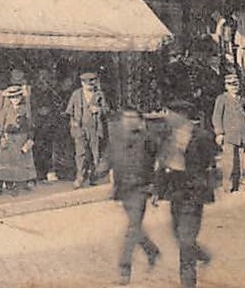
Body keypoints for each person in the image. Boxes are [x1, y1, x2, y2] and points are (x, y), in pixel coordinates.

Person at [157, 100, 218, 287]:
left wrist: (205, 184)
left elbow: (211, 163)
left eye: (171, 113)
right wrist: (156, 190)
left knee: (185, 239)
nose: (167, 117)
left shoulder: (201, 136)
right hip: (175, 193)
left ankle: (188, 284)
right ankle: (201, 254)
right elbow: (163, 164)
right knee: (177, 233)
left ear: (181, 116)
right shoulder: (168, 136)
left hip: (193, 193)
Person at [108, 108, 162, 285]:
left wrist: (155, 188)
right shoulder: (117, 139)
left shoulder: (147, 138)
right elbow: (110, 159)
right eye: (126, 118)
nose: (128, 121)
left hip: (140, 188)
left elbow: (158, 163)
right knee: (135, 226)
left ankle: (125, 268)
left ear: (139, 121)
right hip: (124, 190)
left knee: (132, 228)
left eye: (132, 118)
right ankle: (151, 251)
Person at [0, 71, 37, 190]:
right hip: (9, 137)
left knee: (22, 160)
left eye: (17, 96)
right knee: (6, 161)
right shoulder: (5, 109)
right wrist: (2, 137)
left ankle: (20, 183)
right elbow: (1, 124)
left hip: (21, 137)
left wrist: (30, 138)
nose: (15, 99)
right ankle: (3, 184)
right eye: (12, 97)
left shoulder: (24, 108)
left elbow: (29, 122)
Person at [65, 72, 109, 188]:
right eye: (87, 84)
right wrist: (74, 125)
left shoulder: (99, 95)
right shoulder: (76, 95)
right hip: (80, 128)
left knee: (95, 153)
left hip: (94, 129)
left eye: (92, 84)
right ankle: (80, 177)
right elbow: (70, 111)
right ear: (82, 83)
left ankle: (94, 177)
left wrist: (98, 109)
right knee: (81, 153)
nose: (90, 86)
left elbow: (106, 110)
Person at [211, 73, 245, 192]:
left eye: (236, 84)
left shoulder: (242, 99)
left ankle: (237, 184)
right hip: (229, 135)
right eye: (231, 84)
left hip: (242, 135)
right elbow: (216, 117)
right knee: (229, 162)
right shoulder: (222, 99)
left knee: (240, 161)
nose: (234, 87)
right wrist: (219, 133)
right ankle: (227, 185)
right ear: (226, 86)